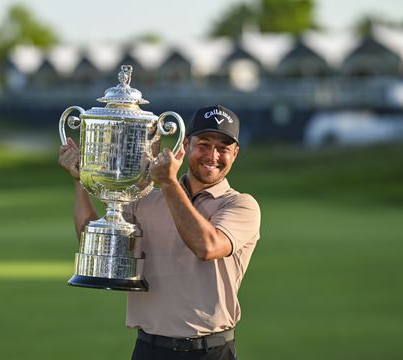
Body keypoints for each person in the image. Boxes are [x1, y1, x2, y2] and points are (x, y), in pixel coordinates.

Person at [59, 105, 261, 360]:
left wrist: (168, 182)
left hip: (210, 351)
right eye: (204, 144)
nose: (212, 155)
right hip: (149, 349)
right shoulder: (145, 199)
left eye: (223, 148)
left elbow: (207, 247)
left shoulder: (241, 204)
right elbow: (98, 246)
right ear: (185, 145)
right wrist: (81, 181)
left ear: (235, 154)